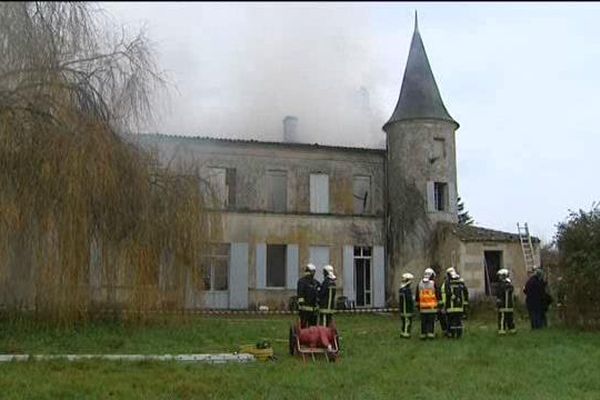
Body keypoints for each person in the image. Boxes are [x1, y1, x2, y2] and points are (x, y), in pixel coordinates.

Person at [441, 270, 469, 338]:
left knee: (451, 322)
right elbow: (466, 294)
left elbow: (447, 295)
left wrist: (444, 306)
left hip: (450, 307)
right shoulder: (461, 283)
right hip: (459, 307)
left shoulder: (447, 284)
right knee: (458, 321)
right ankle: (459, 335)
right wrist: (465, 305)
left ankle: (452, 334)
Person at [415, 267, 439, 340]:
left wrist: (418, 306)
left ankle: (423, 334)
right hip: (432, 308)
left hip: (423, 308)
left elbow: (417, 296)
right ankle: (430, 334)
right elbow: (437, 294)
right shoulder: (433, 284)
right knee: (431, 322)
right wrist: (439, 304)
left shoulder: (419, 284)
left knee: (423, 322)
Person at [297, 263, 320, 328]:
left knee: (313, 326)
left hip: (313, 309)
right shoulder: (302, 281)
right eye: (313, 271)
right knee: (303, 326)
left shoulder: (315, 282)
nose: (313, 273)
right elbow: (300, 294)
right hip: (304, 309)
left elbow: (319, 292)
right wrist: (301, 304)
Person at [495, 268, 516, 335]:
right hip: (509, 305)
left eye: (500, 276)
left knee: (502, 319)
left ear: (504, 276)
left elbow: (499, 294)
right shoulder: (509, 285)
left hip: (503, 305)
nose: (499, 277)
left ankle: (502, 331)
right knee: (510, 319)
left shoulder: (501, 285)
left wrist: (498, 302)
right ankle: (512, 330)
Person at [438, 267, 455, 336]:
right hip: (448, 304)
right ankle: (448, 331)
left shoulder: (446, 283)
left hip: (447, 304)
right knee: (447, 319)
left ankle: (448, 331)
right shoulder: (448, 283)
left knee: (447, 319)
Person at [398, 273, 415, 338]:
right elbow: (409, 299)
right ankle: (406, 334)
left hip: (403, 309)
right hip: (407, 309)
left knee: (404, 322)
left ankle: (402, 332)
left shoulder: (401, 289)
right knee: (407, 322)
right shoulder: (407, 290)